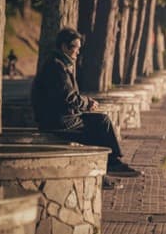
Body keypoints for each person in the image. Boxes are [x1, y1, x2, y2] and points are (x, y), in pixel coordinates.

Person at [31, 28, 141, 177]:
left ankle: (106, 168)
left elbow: (69, 96)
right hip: (59, 122)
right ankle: (111, 166)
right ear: (64, 47)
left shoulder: (59, 64)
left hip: (64, 118)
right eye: (75, 48)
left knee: (100, 123)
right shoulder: (56, 67)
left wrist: (85, 104)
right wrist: (87, 103)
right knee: (101, 124)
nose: (78, 52)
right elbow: (69, 97)